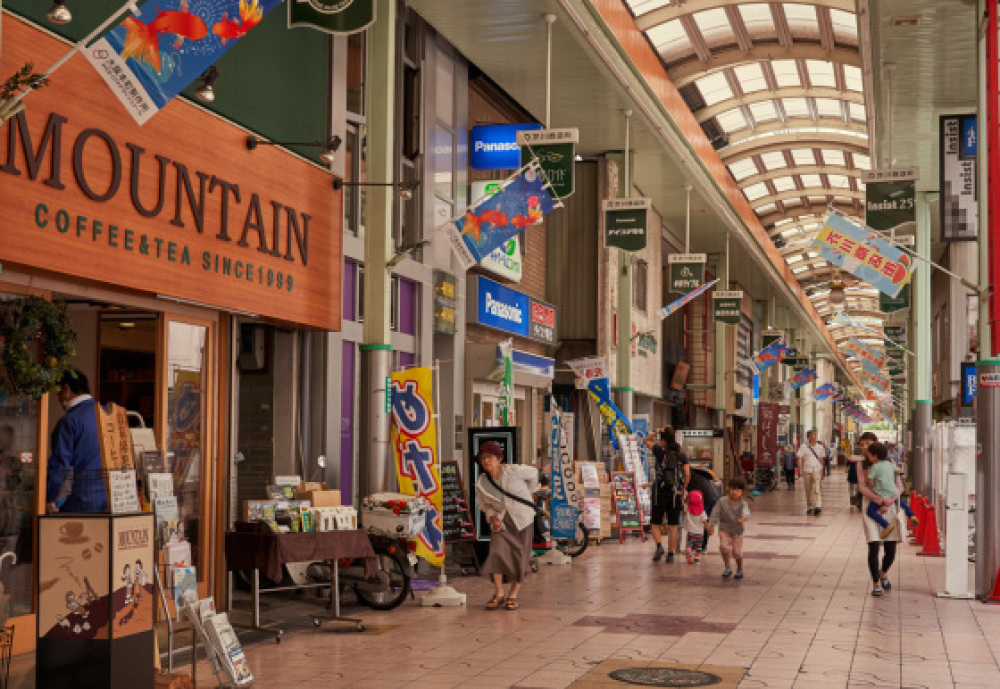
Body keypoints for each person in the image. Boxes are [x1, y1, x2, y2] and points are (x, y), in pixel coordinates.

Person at [474, 440, 539, 611]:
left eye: (489, 457)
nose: (486, 461)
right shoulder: (481, 482)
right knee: (496, 553)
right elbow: (484, 505)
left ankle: (513, 595)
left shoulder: (514, 471)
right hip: (500, 520)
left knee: (519, 555)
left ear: (499, 458)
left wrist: (528, 492)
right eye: (483, 458)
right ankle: (499, 593)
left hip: (521, 518)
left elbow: (534, 474)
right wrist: (492, 518)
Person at [46, 369, 106, 514]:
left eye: (58, 393)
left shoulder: (69, 422)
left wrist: (50, 498)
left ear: (66, 389)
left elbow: (60, 466)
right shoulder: (107, 414)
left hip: (79, 502)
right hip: (110, 499)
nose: (59, 399)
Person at [856, 432, 902, 596]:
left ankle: (883, 572)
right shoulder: (860, 464)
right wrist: (878, 500)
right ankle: (876, 582)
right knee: (873, 545)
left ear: (875, 445)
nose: (864, 447)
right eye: (861, 444)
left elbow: (900, 486)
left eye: (868, 443)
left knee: (890, 550)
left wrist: (890, 500)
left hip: (889, 505)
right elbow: (862, 487)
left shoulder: (891, 462)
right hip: (871, 505)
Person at [644, 427, 690, 563]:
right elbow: (687, 474)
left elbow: (646, 440)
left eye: (660, 439)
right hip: (675, 493)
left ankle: (659, 546)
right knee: (673, 525)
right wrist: (683, 492)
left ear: (663, 440)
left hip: (659, 492)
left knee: (655, 523)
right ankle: (670, 554)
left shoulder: (659, 451)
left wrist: (657, 431)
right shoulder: (681, 455)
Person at [864, 442, 919, 539]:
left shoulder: (874, 467)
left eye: (868, 455)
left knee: (870, 511)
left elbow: (869, 479)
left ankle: (886, 525)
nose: (868, 457)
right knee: (902, 504)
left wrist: (867, 478)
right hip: (893, 492)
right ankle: (912, 516)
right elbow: (899, 470)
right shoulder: (889, 464)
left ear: (874, 456)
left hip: (881, 494)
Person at [707, 476, 750, 579]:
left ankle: (740, 568)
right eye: (732, 489)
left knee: (737, 552)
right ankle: (727, 567)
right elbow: (715, 513)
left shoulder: (743, 504)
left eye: (737, 490)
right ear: (729, 489)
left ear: (742, 492)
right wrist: (711, 525)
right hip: (724, 528)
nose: (734, 492)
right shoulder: (722, 501)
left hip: (737, 530)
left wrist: (743, 518)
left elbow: (746, 512)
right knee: (724, 547)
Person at [686, 467, 719, 552]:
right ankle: (702, 546)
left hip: (705, 498)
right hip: (713, 496)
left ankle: (697, 546)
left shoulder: (688, 475)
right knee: (705, 521)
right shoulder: (695, 472)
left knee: (701, 521)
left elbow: (687, 490)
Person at [796, 430, 824, 516]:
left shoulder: (820, 447)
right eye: (814, 435)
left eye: (816, 435)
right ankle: (810, 507)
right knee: (808, 489)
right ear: (809, 437)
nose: (816, 437)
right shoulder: (803, 446)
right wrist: (800, 470)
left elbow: (821, 460)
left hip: (817, 469)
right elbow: (800, 458)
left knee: (817, 489)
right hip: (806, 470)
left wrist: (822, 471)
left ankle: (818, 506)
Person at [682, 490, 708, 564]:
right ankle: (697, 558)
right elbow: (705, 521)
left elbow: (683, 504)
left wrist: (683, 498)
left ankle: (688, 551)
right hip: (700, 533)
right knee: (698, 546)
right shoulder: (702, 511)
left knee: (689, 544)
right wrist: (709, 529)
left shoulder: (687, 508)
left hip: (690, 532)